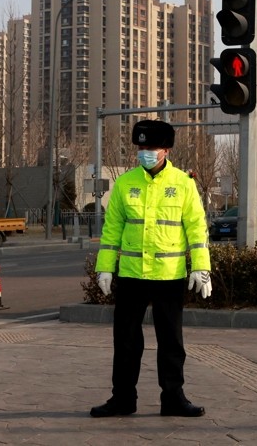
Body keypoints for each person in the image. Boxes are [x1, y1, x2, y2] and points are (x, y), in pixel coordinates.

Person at [90, 119, 212, 418]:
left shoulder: (183, 183)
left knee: (171, 341)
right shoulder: (125, 183)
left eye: (151, 148)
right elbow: (112, 229)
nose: (144, 152)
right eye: (141, 147)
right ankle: (122, 399)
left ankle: (173, 399)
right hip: (131, 274)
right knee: (126, 341)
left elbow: (197, 228)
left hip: (169, 276)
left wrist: (201, 268)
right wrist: (105, 268)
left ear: (166, 150)